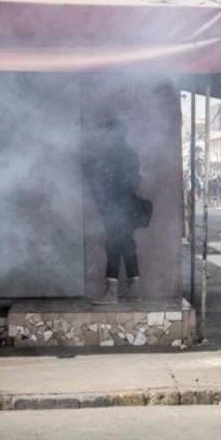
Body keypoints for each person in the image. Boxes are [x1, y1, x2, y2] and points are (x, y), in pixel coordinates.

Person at [83, 113, 147, 304]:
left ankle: (111, 293)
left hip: (116, 207)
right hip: (127, 206)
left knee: (113, 245)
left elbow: (106, 182)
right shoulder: (130, 154)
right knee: (126, 244)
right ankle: (134, 290)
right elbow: (135, 181)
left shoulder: (111, 154)